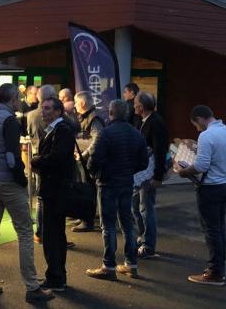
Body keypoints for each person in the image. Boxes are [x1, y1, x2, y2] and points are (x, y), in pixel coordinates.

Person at [0, 83, 54, 303]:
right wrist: (21, 180)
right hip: (7, 182)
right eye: (18, 98)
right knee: (24, 232)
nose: (20, 101)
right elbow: (12, 157)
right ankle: (32, 287)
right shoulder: (9, 121)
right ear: (11, 99)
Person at [177, 105, 226, 286]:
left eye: (195, 125)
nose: (196, 129)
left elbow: (201, 166)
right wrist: (223, 166)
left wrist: (183, 172)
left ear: (199, 119)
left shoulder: (206, 136)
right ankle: (220, 260)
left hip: (211, 188)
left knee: (211, 229)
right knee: (219, 226)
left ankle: (215, 272)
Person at [85, 100, 148, 280]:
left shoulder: (105, 134)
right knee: (127, 224)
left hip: (107, 183)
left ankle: (108, 265)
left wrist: (94, 173)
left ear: (110, 113)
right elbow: (143, 161)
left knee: (109, 225)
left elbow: (94, 159)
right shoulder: (136, 134)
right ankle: (131, 264)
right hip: (126, 182)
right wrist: (128, 170)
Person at [30, 97, 76, 291]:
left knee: (53, 234)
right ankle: (56, 275)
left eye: (48, 108)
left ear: (58, 111)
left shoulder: (61, 130)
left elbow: (57, 159)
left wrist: (37, 161)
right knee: (54, 234)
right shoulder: (56, 130)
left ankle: (56, 277)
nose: (44, 111)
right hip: (53, 189)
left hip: (55, 190)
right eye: (43, 108)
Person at [132, 91, 169, 258]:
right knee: (136, 207)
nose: (133, 106)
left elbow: (160, 151)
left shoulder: (156, 123)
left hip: (149, 174)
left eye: (135, 104)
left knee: (146, 208)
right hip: (141, 174)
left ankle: (149, 245)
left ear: (141, 106)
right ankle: (143, 236)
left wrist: (158, 177)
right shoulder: (144, 121)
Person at [27, 85, 58, 242]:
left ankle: (40, 231)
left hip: (36, 158)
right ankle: (46, 232)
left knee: (40, 195)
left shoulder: (31, 115)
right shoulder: (53, 116)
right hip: (49, 160)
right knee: (47, 196)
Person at [72, 91, 105, 232]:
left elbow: (98, 139)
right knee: (85, 188)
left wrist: (84, 154)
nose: (74, 105)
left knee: (88, 190)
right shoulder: (89, 117)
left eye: (76, 102)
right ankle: (84, 216)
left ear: (83, 103)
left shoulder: (94, 118)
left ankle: (87, 221)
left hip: (90, 160)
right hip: (85, 159)